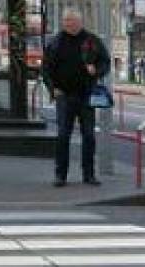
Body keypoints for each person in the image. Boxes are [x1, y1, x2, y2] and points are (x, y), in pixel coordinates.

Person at [42, 7, 107, 188]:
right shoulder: (56, 42)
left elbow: (105, 61)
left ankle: (89, 174)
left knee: (89, 135)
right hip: (64, 95)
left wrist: (97, 70)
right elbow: (45, 69)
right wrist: (52, 88)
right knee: (63, 135)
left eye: (72, 20)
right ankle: (60, 175)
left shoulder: (92, 41)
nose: (69, 23)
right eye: (66, 20)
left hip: (86, 95)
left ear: (80, 22)